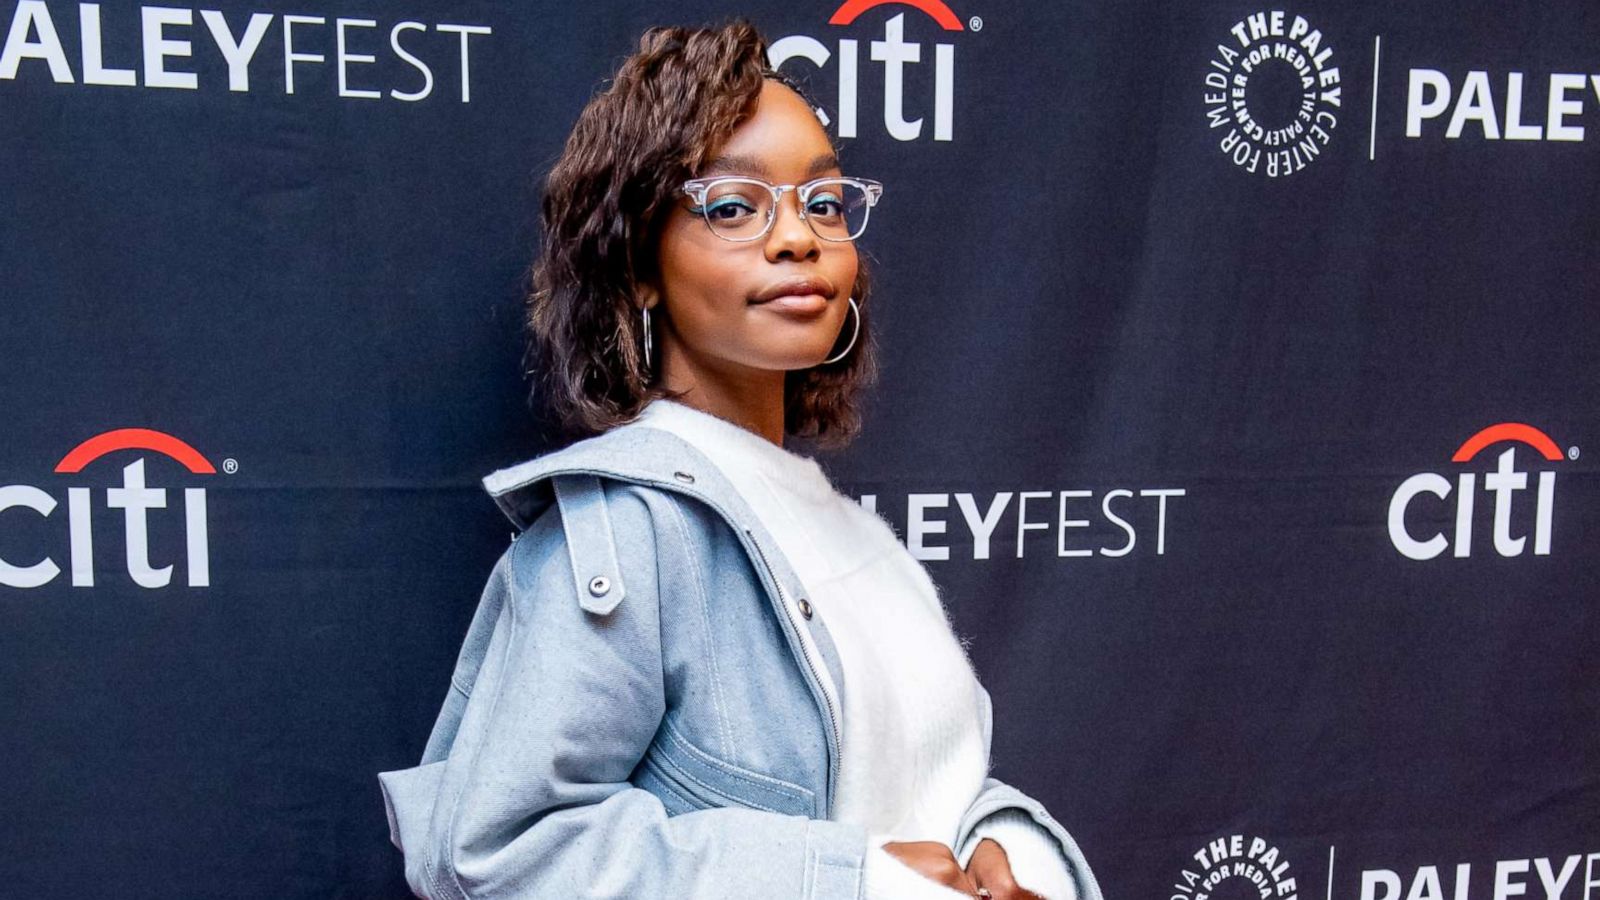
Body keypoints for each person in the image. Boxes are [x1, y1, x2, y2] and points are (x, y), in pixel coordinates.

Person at [378, 19, 1102, 900]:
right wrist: (850, 884)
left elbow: (929, 792)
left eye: (824, 203)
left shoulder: (850, 532)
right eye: (732, 206)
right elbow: (501, 847)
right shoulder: (631, 532)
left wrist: (1013, 860)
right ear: (641, 263)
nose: (798, 237)